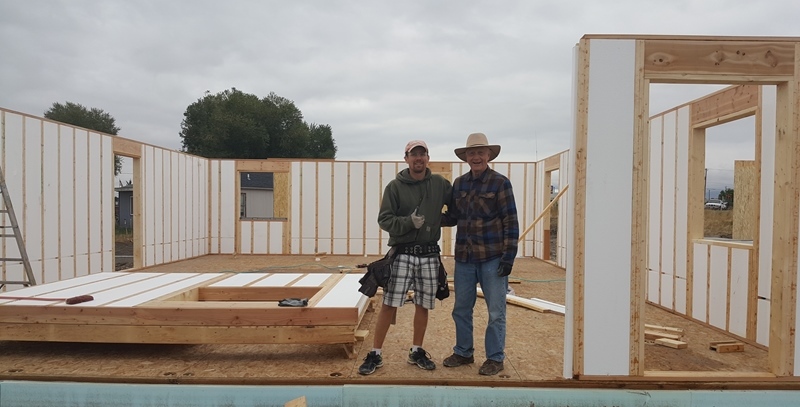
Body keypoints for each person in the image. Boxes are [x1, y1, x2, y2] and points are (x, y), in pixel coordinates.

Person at [358, 139, 453, 375]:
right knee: (389, 304)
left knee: (423, 305)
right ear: (406, 159)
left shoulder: (440, 184)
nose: (418, 158)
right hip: (403, 253)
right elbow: (384, 220)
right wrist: (408, 223)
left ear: (428, 158)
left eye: (422, 154)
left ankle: (416, 351)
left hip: (429, 253)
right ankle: (375, 354)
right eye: (414, 155)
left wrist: (438, 221)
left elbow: (456, 208)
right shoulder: (395, 187)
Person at [441, 132, 519, 376]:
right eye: (471, 153)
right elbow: (454, 217)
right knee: (461, 309)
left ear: (488, 155)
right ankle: (464, 352)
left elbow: (511, 222)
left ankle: (495, 358)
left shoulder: (500, 183)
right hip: (464, 259)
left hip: (492, 259)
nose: (476, 157)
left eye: (480, 152)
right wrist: (429, 217)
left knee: (496, 312)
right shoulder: (459, 184)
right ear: (466, 157)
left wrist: (508, 258)